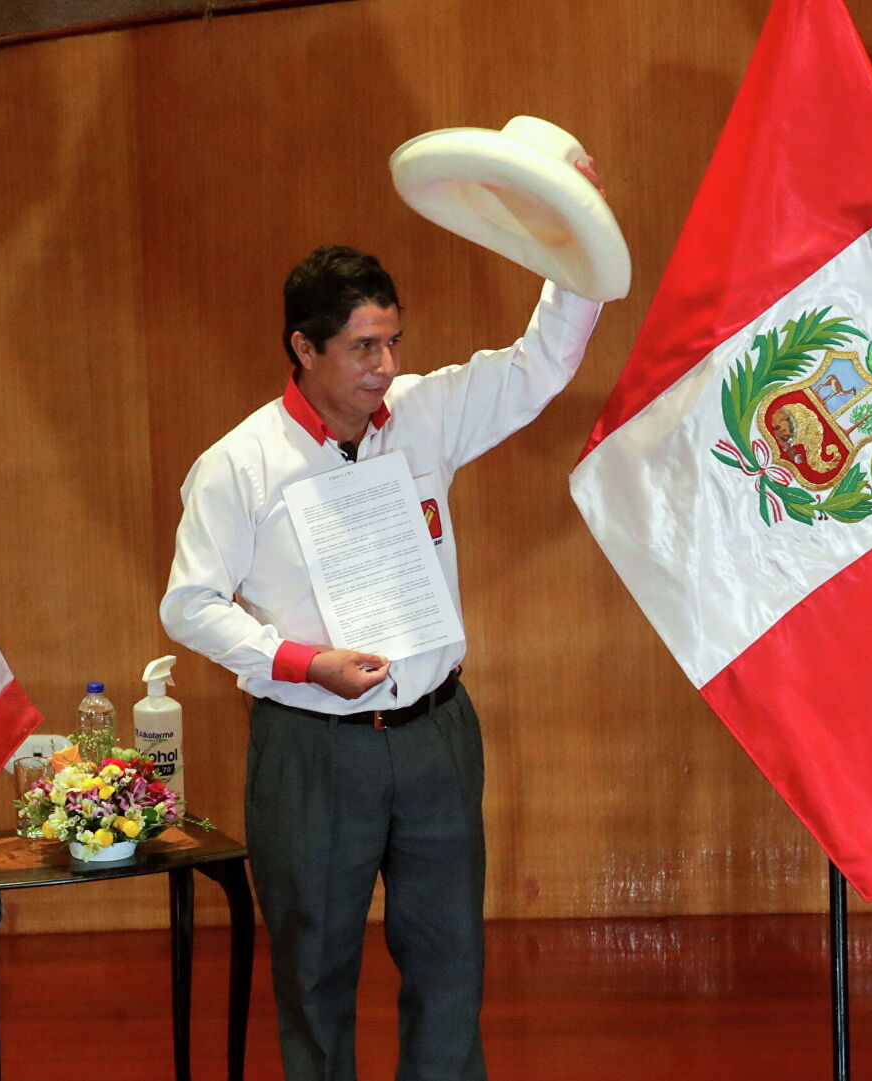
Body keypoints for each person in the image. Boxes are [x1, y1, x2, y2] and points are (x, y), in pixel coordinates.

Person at [159, 159, 605, 1081]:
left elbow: (542, 365)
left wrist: (571, 233)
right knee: (316, 973)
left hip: (437, 732)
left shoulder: (424, 414)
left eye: (394, 341)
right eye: (364, 347)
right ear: (304, 348)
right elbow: (189, 603)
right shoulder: (239, 466)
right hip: (315, 747)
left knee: (450, 972)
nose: (387, 367)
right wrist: (296, 659)